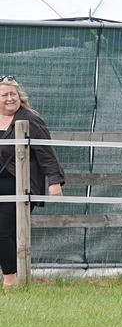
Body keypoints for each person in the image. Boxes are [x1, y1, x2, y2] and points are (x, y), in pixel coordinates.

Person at [0, 77, 65, 289]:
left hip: (20, 184)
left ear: (20, 97)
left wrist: (55, 182)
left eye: (13, 94)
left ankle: (11, 278)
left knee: (2, 231)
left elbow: (46, 153)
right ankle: (16, 275)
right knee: (6, 234)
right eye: (5, 95)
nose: (10, 99)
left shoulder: (30, 120)